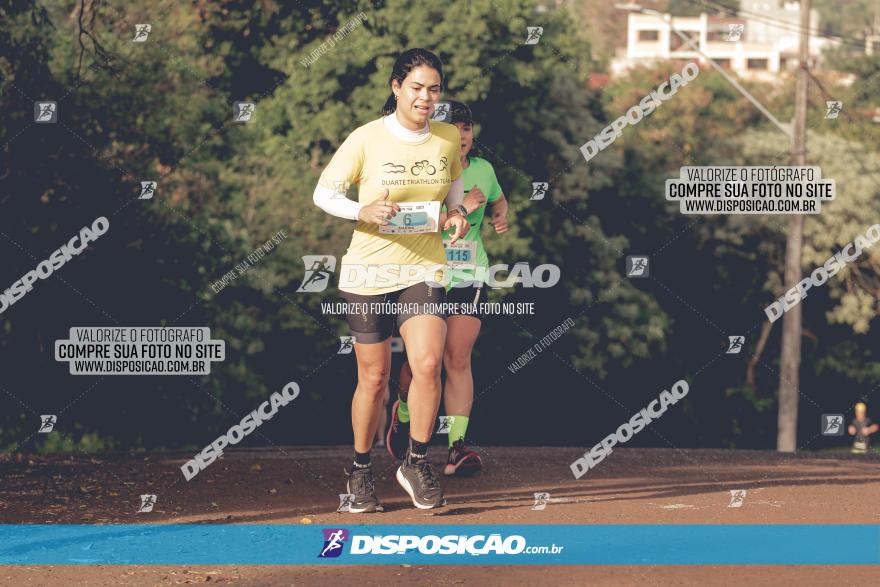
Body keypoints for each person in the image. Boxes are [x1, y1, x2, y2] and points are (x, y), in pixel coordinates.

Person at [312, 48, 470, 512]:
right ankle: (360, 471)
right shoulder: (365, 138)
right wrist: (361, 210)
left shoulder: (444, 138)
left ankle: (415, 460)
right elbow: (323, 192)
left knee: (426, 363)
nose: (426, 97)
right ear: (396, 87)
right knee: (375, 377)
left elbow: (455, 182)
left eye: (434, 89)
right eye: (417, 87)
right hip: (369, 270)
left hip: (424, 267)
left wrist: (457, 212)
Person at [386, 100, 509, 476]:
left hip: (470, 273)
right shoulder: (421, 171)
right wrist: (462, 208)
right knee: (424, 362)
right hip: (425, 273)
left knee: (457, 357)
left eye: (466, 129)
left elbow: (499, 199)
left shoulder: (484, 170)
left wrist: (500, 215)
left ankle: (457, 448)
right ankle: (404, 409)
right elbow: (401, 221)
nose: (461, 137)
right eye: (452, 130)